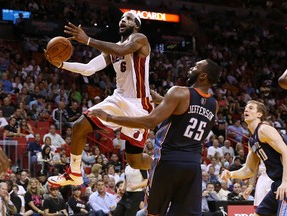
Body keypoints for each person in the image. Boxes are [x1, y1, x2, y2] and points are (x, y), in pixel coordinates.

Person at [92, 59, 221, 215]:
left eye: (195, 67)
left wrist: (110, 118)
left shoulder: (178, 92)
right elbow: (187, 111)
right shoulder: (214, 104)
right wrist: (163, 100)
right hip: (193, 166)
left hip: (168, 162)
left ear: (203, 75)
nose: (190, 68)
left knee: (153, 212)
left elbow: (150, 121)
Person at [47, 11, 153, 186]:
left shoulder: (139, 39)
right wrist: (61, 64)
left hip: (138, 105)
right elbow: (89, 69)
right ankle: (74, 173)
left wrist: (88, 40)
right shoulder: (112, 50)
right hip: (118, 99)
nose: (123, 21)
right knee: (79, 125)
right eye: (121, 18)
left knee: (134, 161)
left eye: (128, 19)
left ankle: (160, 161)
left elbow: (122, 49)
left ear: (136, 26)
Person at [221, 100, 287, 215]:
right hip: (277, 183)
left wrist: (285, 182)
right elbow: (249, 169)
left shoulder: (264, 129)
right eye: (246, 108)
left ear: (259, 114)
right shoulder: (252, 141)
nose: (246, 110)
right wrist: (231, 174)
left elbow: (286, 152)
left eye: (251, 108)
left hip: (284, 183)